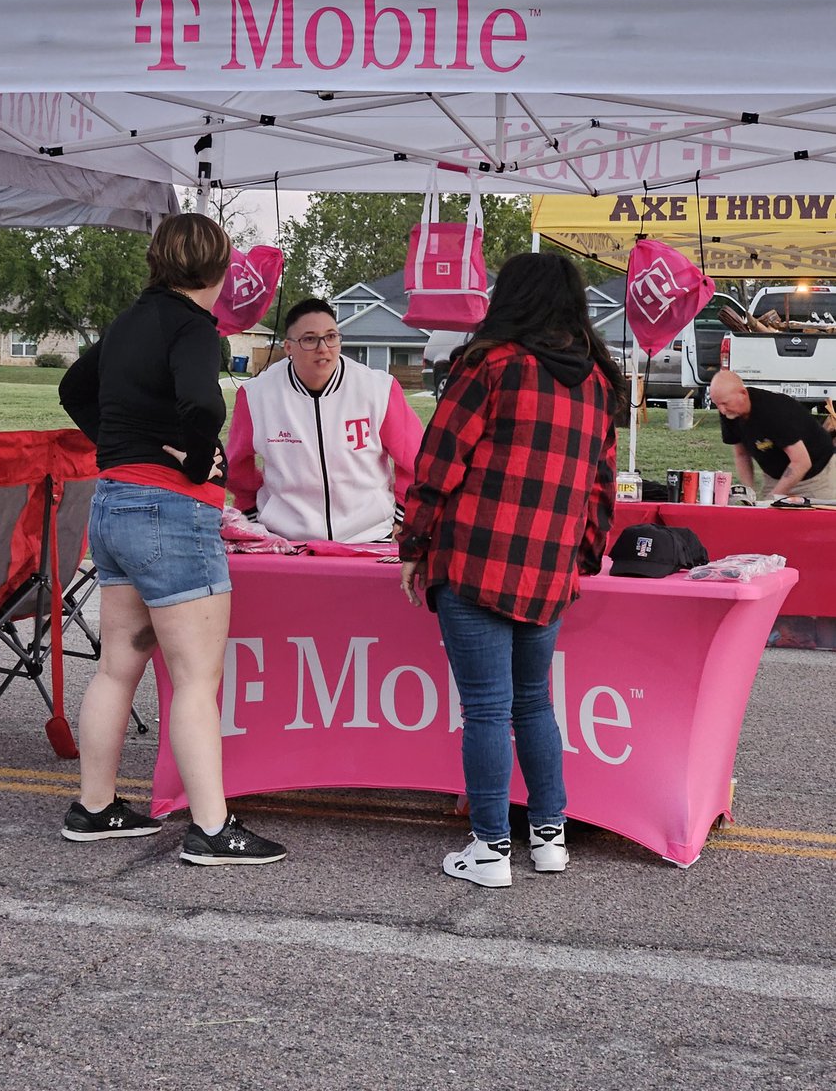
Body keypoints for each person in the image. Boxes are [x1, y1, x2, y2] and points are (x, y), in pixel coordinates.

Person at [58, 213, 286, 868]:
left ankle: (95, 808)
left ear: (158, 262)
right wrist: (194, 461)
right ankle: (213, 829)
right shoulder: (194, 328)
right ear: (219, 272)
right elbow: (205, 405)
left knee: (115, 668)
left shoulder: (129, 322)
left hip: (113, 505)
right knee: (195, 678)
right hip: (170, 513)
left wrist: (117, 441)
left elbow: (74, 387)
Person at [398, 252, 625, 888]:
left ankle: (491, 847)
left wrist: (414, 544)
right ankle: (549, 836)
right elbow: (601, 491)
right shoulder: (600, 383)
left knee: (489, 711)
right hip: (547, 570)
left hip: (476, 557)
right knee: (534, 705)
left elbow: (438, 460)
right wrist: (578, 563)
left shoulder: (492, 364)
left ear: (513, 299)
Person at [226, 297, 424, 542]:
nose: (323, 348)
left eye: (331, 336)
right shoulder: (257, 395)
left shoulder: (378, 389)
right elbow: (235, 465)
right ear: (288, 347)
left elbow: (417, 459)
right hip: (285, 538)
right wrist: (251, 509)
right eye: (309, 339)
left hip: (369, 534)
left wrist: (403, 513)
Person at [709, 371, 836, 500]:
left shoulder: (774, 412)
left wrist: (773, 498)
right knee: (764, 516)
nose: (722, 410)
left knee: (812, 519)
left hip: (816, 477)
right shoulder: (730, 413)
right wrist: (749, 494)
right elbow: (741, 455)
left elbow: (801, 462)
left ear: (743, 393)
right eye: (717, 404)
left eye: (725, 403)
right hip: (777, 477)